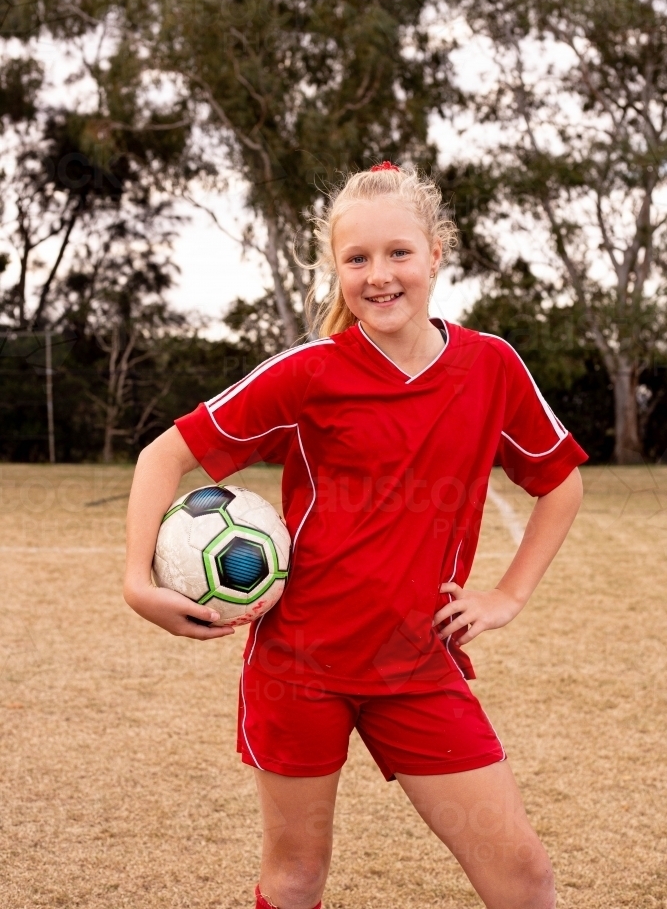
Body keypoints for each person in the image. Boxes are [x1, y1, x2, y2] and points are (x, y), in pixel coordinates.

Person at [124, 163, 587, 909]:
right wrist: (136, 582)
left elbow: (558, 480)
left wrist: (507, 594)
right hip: (299, 667)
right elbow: (163, 455)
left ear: (436, 253)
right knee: (296, 878)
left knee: (524, 878)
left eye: (398, 253)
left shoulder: (491, 366)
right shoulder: (311, 372)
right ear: (335, 268)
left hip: (417, 664)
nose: (379, 275)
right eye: (357, 259)